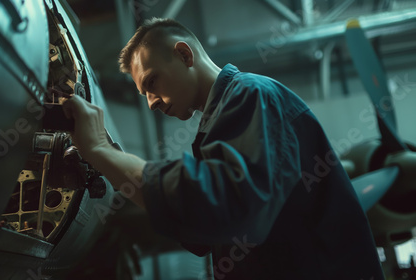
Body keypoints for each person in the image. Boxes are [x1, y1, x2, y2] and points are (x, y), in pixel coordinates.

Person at [62, 18, 384, 279]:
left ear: (185, 55)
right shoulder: (219, 124)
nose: (151, 103)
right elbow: (204, 233)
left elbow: (228, 205)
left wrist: (103, 151)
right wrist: (113, 166)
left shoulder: (252, 95)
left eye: (152, 83)